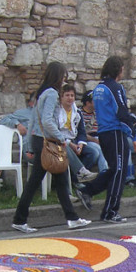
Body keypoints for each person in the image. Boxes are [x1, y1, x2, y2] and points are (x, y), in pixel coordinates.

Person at [11, 61, 90, 233]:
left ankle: (72, 218)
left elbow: (34, 120)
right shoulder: (53, 94)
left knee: (59, 181)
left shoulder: (42, 93)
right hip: (49, 142)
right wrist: (61, 138)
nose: (64, 80)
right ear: (58, 76)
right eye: (63, 76)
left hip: (40, 141)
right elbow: (47, 120)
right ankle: (20, 219)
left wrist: (30, 146)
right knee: (36, 182)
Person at [79, 55, 136, 223]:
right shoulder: (115, 87)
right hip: (115, 132)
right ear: (117, 69)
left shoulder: (98, 88)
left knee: (113, 169)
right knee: (120, 171)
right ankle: (110, 212)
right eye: (122, 68)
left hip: (103, 132)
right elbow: (121, 110)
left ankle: (87, 190)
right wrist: (132, 128)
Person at [56, 83, 103, 187]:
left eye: (72, 96)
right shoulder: (56, 112)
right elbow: (56, 131)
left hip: (74, 140)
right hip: (61, 141)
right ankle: (81, 174)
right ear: (62, 97)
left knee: (93, 152)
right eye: (67, 95)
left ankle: (76, 179)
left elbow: (81, 132)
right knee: (66, 149)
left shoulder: (77, 112)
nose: (70, 98)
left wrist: (80, 144)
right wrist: (71, 145)